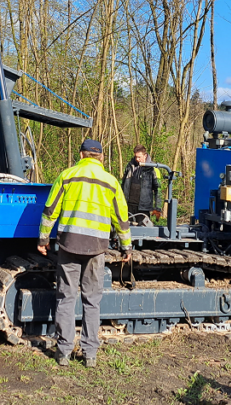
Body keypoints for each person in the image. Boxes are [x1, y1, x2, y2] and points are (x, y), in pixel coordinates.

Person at [37, 138, 132, 369]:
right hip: (96, 249)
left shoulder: (67, 176)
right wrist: (126, 246)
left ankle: (64, 352)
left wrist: (43, 239)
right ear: (100, 157)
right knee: (92, 301)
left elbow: (50, 211)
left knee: (66, 298)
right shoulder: (110, 182)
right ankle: (90, 354)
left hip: (69, 246)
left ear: (81, 155)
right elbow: (121, 218)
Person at [121, 145, 163, 219]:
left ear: (145, 155)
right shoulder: (130, 166)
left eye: (139, 157)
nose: (137, 159)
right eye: (136, 157)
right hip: (128, 206)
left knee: (143, 230)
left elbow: (158, 190)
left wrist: (158, 208)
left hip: (143, 209)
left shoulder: (153, 169)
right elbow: (123, 184)